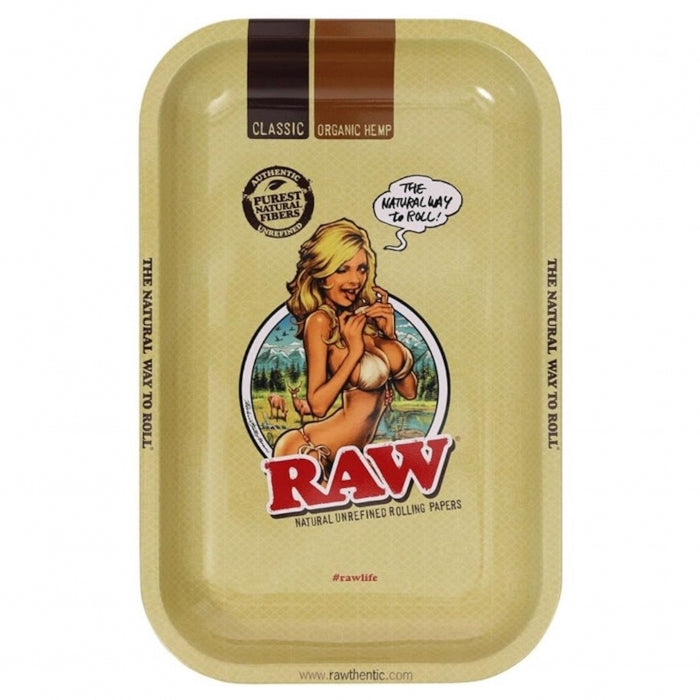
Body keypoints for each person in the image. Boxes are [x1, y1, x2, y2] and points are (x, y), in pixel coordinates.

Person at [273, 219, 417, 478]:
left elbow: (409, 392)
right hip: (310, 450)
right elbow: (318, 405)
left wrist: (390, 335)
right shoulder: (321, 322)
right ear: (322, 272)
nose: (355, 280)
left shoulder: (367, 320)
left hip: (350, 458)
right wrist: (354, 353)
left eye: (361, 269)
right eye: (342, 269)